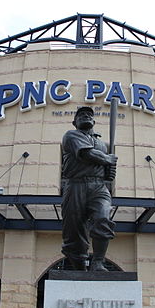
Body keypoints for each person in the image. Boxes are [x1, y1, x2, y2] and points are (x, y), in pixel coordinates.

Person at [60, 106, 117, 271]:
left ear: (93, 121)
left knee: (103, 218)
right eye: (81, 115)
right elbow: (87, 154)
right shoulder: (71, 135)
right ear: (74, 122)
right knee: (74, 234)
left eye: (89, 115)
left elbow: (105, 171)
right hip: (75, 185)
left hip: (98, 187)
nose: (85, 116)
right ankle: (79, 269)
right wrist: (108, 160)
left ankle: (98, 262)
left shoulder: (101, 143)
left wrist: (110, 171)